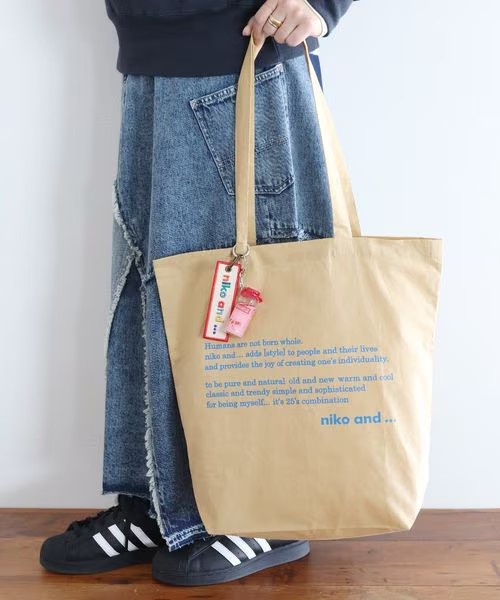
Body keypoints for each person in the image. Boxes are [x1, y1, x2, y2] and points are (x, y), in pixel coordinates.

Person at [39, 0, 356, 586]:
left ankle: (269, 512)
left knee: (249, 304)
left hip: (248, 54)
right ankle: (158, 504)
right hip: (148, 59)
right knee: (150, 291)